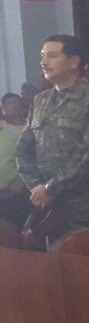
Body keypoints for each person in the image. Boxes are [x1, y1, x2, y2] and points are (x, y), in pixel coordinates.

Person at [16, 35, 89, 240]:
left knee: (86, 258)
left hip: (86, 206)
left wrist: (50, 188)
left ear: (74, 61)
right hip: (47, 205)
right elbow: (23, 149)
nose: (44, 62)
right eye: (43, 56)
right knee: (52, 259)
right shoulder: (40, 100)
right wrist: (36, 187)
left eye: (52, 56)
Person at [0, 93, 30, 226]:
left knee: (16, 225)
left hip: (18, 188)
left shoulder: (30, 128)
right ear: (3, 108)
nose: (13, 106)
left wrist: (21, 181)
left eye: (16, 102)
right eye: (9, 103)